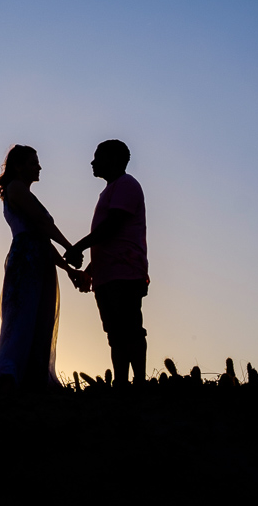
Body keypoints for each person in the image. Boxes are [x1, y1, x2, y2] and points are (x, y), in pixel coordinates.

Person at [0, 145, 80, 390]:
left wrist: (68, 269)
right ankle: (8, 375)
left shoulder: (22, 191)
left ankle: (31, 377)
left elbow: (42, 237)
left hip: (39, 258)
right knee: (22, 317)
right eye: (33, 162)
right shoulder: (15, 189)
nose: (39, 167)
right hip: (27, 260)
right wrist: (70, 246)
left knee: (40, 318)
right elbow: (40, 223)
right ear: (18, 165)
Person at [64, 139, 148, 386]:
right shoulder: (112, 189)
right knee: (114, 331)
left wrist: (78, 247)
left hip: (125, 271)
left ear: (112, 159)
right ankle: (121, 382)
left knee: (130, 326)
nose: (92, 162)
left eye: (97, 157)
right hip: (108, 273)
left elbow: (111, 227)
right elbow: (107, 240)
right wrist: (91, 271)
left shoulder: (126, 185)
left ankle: (139, 382)